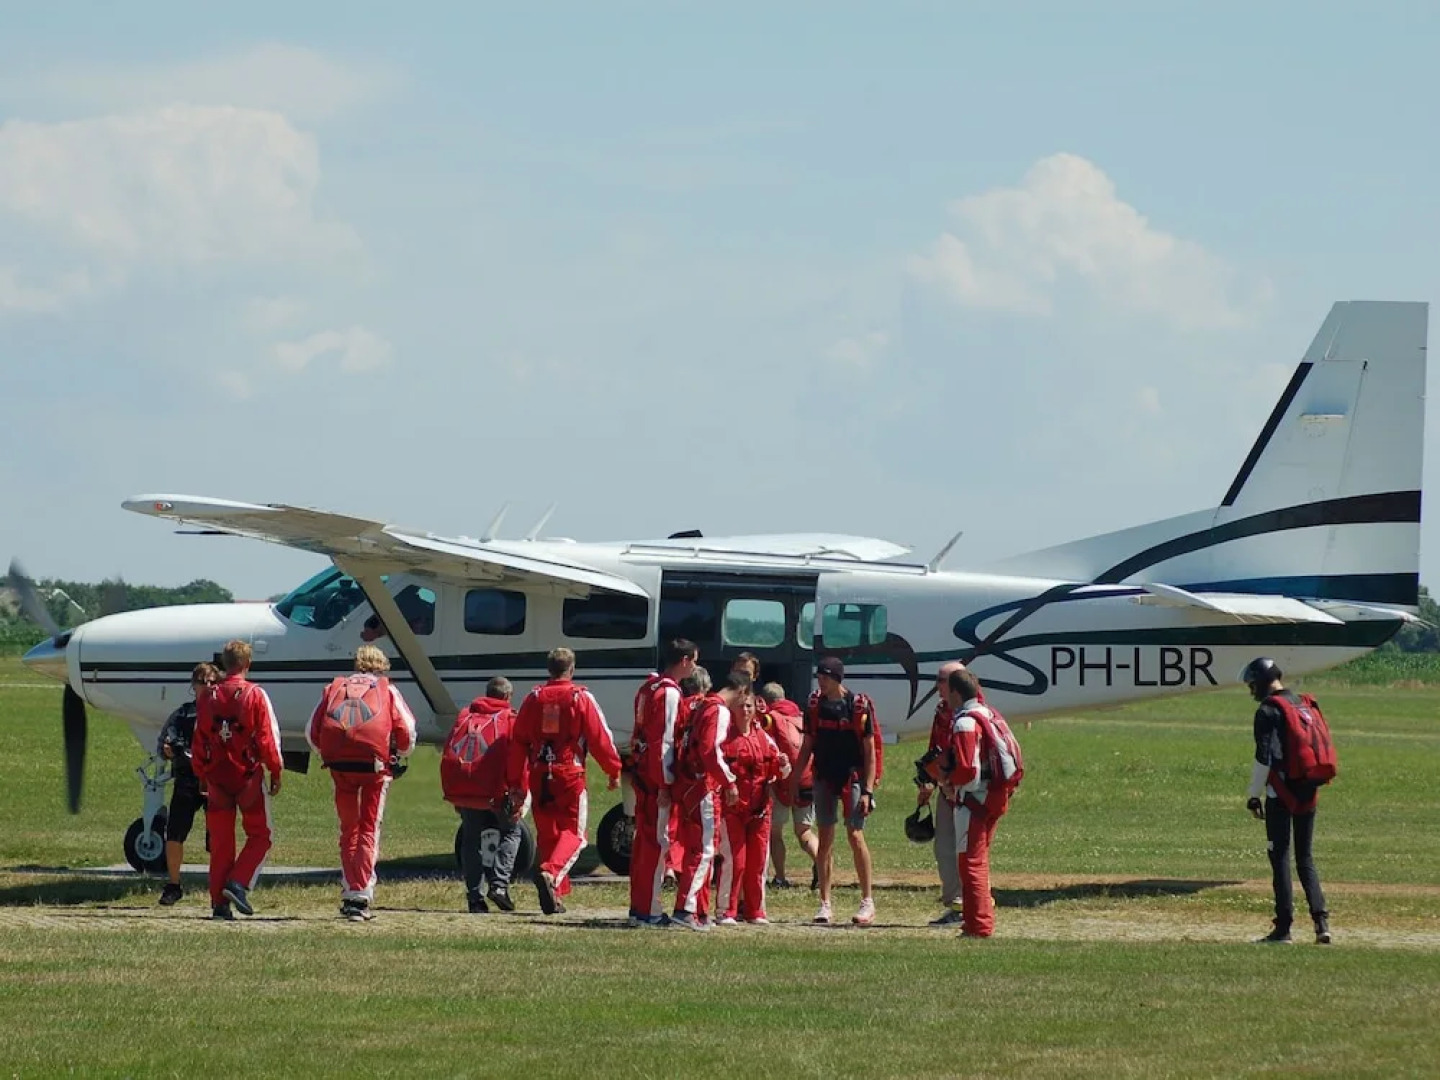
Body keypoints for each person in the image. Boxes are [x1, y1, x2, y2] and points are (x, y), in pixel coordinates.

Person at [505, 647, 623, 915]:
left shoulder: (533, 698)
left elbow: (518, 743)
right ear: (572, 669)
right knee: (576, 835)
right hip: (569, 773)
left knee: (549, 835)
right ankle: (551, 874)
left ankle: (555, 895)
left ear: (549, 669)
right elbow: (600, 737)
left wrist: (516, 783)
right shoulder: (580, 698)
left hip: (539, 773)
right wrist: (613, 769)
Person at [307, 644, 418, 921]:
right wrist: (398, 754)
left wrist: (329, 754)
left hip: (340, 769)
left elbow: (312, 731)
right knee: (369, 828)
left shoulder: (334, 688)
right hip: (375, 769)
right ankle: (360, 893)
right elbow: (407, 731)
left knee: (349, 830)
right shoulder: (387, 690)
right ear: (382, 667)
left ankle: (349, 889)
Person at [192, 640, 283, 921]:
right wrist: (275, 770)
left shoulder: (207, 697)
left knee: (221, 843)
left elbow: (199, 739)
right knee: (261, 835)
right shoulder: (255, 695)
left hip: (216, 777)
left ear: (225, 663)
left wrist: (201, 774)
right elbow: (267, 738)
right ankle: (238, 882)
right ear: (247, 664)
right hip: (247, 776)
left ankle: (219, 903)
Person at [1242, 657, 1331, 945]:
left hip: (1280, 793)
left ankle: (1283, 929)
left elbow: (1263, 757)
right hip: (1309, 789)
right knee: (1305, 857)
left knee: (1280, 857)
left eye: (1252, 684)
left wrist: (1253, 795)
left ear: (1262, 682)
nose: (1251, 690)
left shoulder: (1268, 711)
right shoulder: (1302, 704)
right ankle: (1321, 924)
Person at [793, 656, 878, 926]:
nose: (821, 681)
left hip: (852, 776)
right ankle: (825, 903)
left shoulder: (858, 706)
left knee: (855, 834)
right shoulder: (814, 706)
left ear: (837, 678)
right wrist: (795, 778)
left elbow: (870, 752)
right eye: (819, 676)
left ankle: (867, 900)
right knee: (825, 837)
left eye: (825, 677)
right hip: (824, 776)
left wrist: (868, 790)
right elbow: (807, 745)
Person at [939, 666, 1022, 939]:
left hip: (975, 800)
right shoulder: (989, 713)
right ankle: (979, 923)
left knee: (970, 863)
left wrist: (949, 784)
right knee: (979, 861)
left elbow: (968, 770)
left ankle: (978, 927)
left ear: (955, 692)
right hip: (995, 797)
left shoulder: (964, 722)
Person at [670, 669, 749, 931]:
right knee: (704, 851)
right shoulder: (719, 710)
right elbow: (710, 751)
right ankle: (685, 909)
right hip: (703, 787)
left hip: (688, 785)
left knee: (696, 849)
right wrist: (729, 782)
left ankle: (695, 910)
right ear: (741, 691)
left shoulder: (701, 706)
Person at [628, 639, 699, 927]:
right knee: (657, 844)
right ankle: (650, 910)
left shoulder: (649, 687)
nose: (694, 667)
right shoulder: (669, 692)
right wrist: (665, 784)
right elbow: (665, 742)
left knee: (644, 843)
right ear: (684, 660)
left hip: (643, 775)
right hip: (654, 780)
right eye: (694, 661)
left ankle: (639, 907)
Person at [441, 677, 526, 913]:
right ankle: (499, 885)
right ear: (508, 697)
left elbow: (449, 750)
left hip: (468, 786)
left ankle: (474, 898)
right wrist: (519, 792)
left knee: (471, 839)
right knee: (512, 832)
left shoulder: (465, 716)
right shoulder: (510, 719)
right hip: (497, 790)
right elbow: (518, 760)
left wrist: (454, 792)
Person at [717, 691, 790, 924]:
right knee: (735, 861)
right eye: (740, 706)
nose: (745, 711)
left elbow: (781, 771)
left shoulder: (763, 737)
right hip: (732, 810)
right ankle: (726, 910)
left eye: (749, 706)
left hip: (760, 810)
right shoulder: (724, 737)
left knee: (758, 863)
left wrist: (783, 764)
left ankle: (755, 910)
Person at [155, 662, 220, 906]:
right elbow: (162, 745)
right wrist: (168, 750)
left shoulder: (225, 714)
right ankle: (173, 884)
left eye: (213, 681)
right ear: (194, 685)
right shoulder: (182, 715)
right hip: (187, 780)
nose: (208, 686)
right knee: (175, 833)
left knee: (217, 837)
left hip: (215, 781)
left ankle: (219, 884)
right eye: (203, 682)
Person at [915, 661, 965, 925]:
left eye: (941, 681)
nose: (937, 687)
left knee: (966, 849)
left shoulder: (972, 712)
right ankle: (955, 902)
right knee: (944, 847)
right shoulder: (942, 711)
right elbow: (935, 747)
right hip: (946, 788)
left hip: (968, 791)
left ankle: (970, 905)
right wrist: (929, 782)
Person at [760, 682, 817, 889]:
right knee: (804, 831)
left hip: (782, 783)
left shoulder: (770, 718)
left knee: (775, 833)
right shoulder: (801, 716)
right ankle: (822, 866)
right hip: (807, 780)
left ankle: (780, 877)